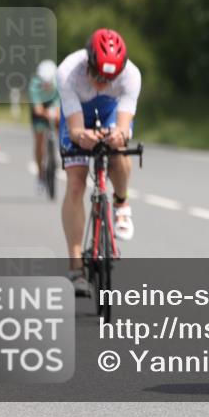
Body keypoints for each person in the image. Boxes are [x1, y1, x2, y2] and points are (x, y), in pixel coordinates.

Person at [57, 28, 141, 295]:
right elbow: (75, 130)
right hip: (78, 115)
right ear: (88, 63)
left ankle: (121, 201)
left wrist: (118, 134)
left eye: (110, 78)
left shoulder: (131, 75)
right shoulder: (68, 71)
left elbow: (124, 125)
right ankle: (76, 267)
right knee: (76, 183)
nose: (103, 83)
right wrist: (82, 136)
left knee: (119, 150)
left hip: (110, 113)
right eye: (98, 76)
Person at [29, 59, 60, 193]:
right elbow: (37, 109)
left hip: (53, 106)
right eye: (44, 83)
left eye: (49, 83)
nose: (46, 85)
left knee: (60, 122)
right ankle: (40, 174)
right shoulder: (34, 85)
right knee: (39, 139)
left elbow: (61, 105)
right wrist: (47, 113)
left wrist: (55, 114)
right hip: (40, 110)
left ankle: (59, 150)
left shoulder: (60, 83)